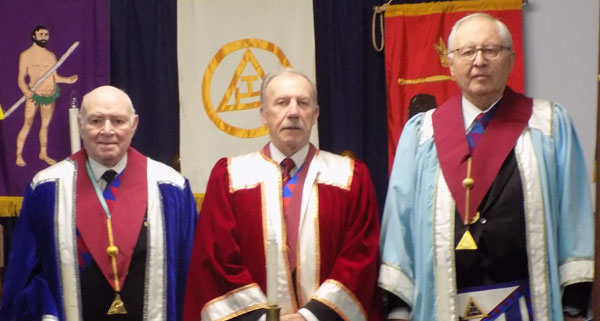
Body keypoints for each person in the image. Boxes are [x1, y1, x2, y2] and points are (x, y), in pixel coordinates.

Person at [378, 13, 594, 321]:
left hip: (531, 304)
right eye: (467, 52)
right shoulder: (421, 135)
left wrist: (574, 303)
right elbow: (400, 220)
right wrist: (399, 307)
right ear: (450, 65)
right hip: (444, 306)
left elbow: (573, 212)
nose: (478, 61)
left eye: (490, 50)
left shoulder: (549, 125)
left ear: (510, 59)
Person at [183, 69, 382, 321]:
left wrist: (309, 317)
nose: (293, 112)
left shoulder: (350, 178)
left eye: (303, 102)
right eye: (281, 103)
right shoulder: (230, 178)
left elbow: (360, 259)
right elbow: (217, 262)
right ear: (263, 115)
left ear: (316, 114)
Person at [0, 86, 198, 321]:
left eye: (118, 121)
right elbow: (25, 275)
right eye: (96, 120)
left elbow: (191, 276)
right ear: (81, 124)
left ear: (134, 124)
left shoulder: (171, 189)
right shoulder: (47, 189)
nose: (107, 130)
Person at [16, 25, 78, 167]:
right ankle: (19, 154)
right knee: (28, 123)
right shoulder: (26, 55)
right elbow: (21, 79)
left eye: (46, 34)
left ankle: (43, 153)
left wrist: (68, 80)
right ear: (34, 36)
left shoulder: (50, 55)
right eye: (41, 34)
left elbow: (54, 77)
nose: (44, 36)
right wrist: (26, 92)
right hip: (34, 95)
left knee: (45, 125)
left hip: (50, 94)